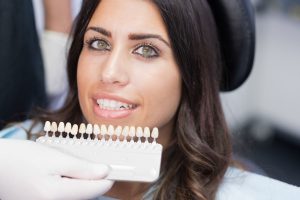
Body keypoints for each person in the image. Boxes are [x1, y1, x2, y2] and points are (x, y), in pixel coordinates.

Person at [0, 0, 299, 199]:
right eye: (98, 43)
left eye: (146, 50)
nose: (110, 72)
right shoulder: (15, 153)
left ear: (191, 73)